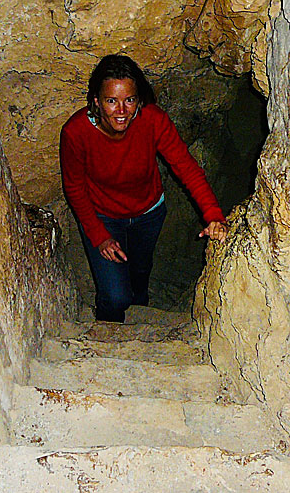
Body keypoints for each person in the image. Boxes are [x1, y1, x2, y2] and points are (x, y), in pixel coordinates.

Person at [60, 54, 229, 323]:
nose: (121, 110)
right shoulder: (76, 132)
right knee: (116, 296)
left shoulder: (152, 120)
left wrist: (213, 215)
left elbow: (185, 167)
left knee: (139, 274)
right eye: (111, 101)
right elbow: (74, 187)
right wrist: (99, 235)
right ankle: (108, 330)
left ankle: (139, 320)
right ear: (96, 101)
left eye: (129, 100)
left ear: (138, 100)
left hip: (148, 212)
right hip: (102, 214)